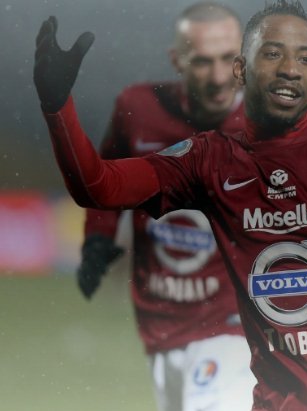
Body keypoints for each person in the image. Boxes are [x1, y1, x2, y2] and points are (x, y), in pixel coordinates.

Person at [33, 1, 307, 410]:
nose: (291, 69)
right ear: (241, 70)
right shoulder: (211, 162)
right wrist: (57, 108)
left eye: (306, 58)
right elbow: (100, 188)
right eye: (273, 54)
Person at [75, 3, 257, 411]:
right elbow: (105, 182)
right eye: (203, 61)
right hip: (160, 321)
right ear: (177, 60)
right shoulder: (138, 110)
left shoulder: (273, 120)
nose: (218, 77)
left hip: (235, 324)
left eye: (229, 59)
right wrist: (98, 238)